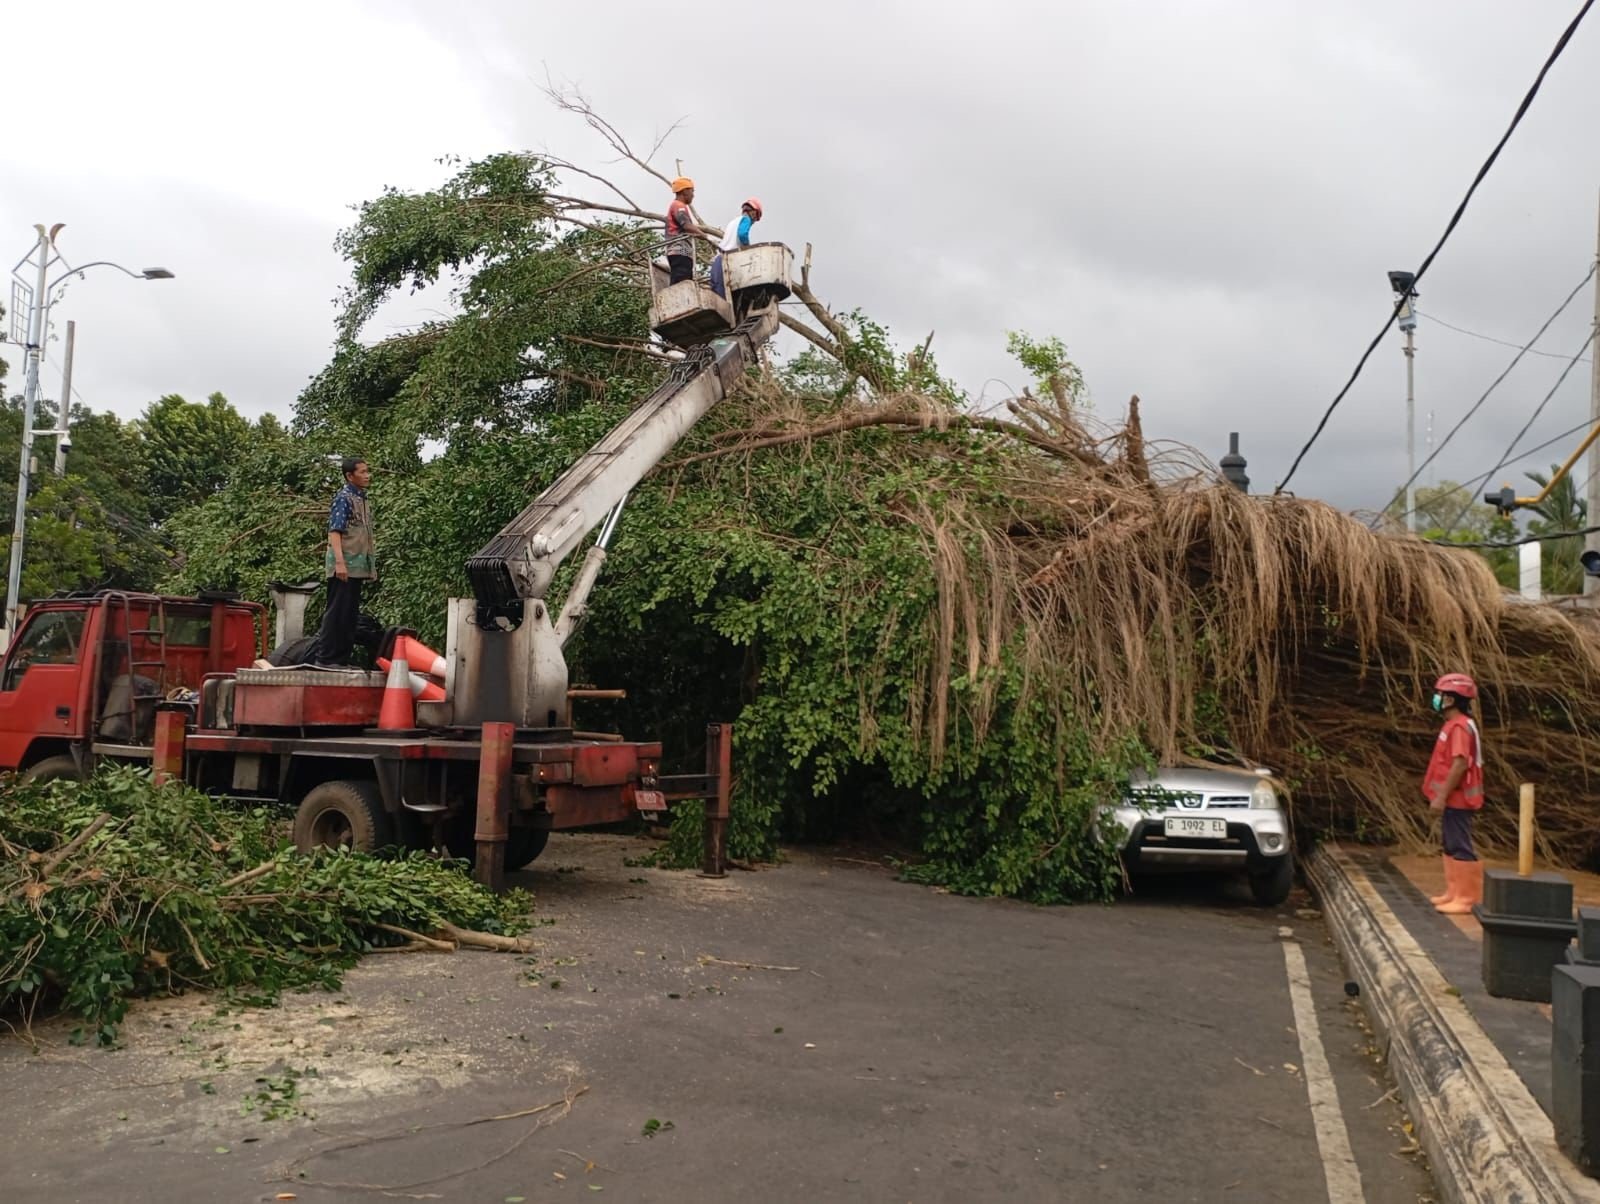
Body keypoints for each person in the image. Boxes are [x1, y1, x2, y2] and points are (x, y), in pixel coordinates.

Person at [1423, 672, 1486, 915]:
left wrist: (1440, 796)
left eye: (1441, 695)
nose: (1437, 698)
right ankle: (1454, 892)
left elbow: (1459, 764)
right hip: (1453, 798)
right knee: (1450, 843)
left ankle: (1467, 898)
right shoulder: (1452, 725)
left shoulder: (1459, 727)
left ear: (1450, 700)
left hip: (1459, 798)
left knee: (1460, 845)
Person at [309, 457, 377, 667]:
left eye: (367, 471)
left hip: (357, 567)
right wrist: (339, 563)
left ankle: (341, 659)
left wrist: (371, 567)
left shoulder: (362, 499)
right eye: (362, 472)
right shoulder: (344, 498)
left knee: (349, 614)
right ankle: (326, 659)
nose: (367, 476)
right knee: (337, 612)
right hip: (344, 565)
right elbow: (335, 532)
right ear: (350, 476)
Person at [710, 197, 763, 299]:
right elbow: (743, 234)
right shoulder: (746, 219)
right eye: (756, 218)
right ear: (753, 212)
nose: (754, 221)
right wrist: (748, 249)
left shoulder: (733, 222)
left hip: (718, 260)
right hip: (729, 261)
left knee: (717, 296)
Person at [664, 178, 704, 285]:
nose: (693, 195)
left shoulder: (677, 205)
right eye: (692, 191)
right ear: (685, 191)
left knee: (681, 281)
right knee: (682, 284)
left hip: (680, 252)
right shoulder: (678, 205)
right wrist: (704, 236)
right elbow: (687, 226)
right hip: (680, 252)